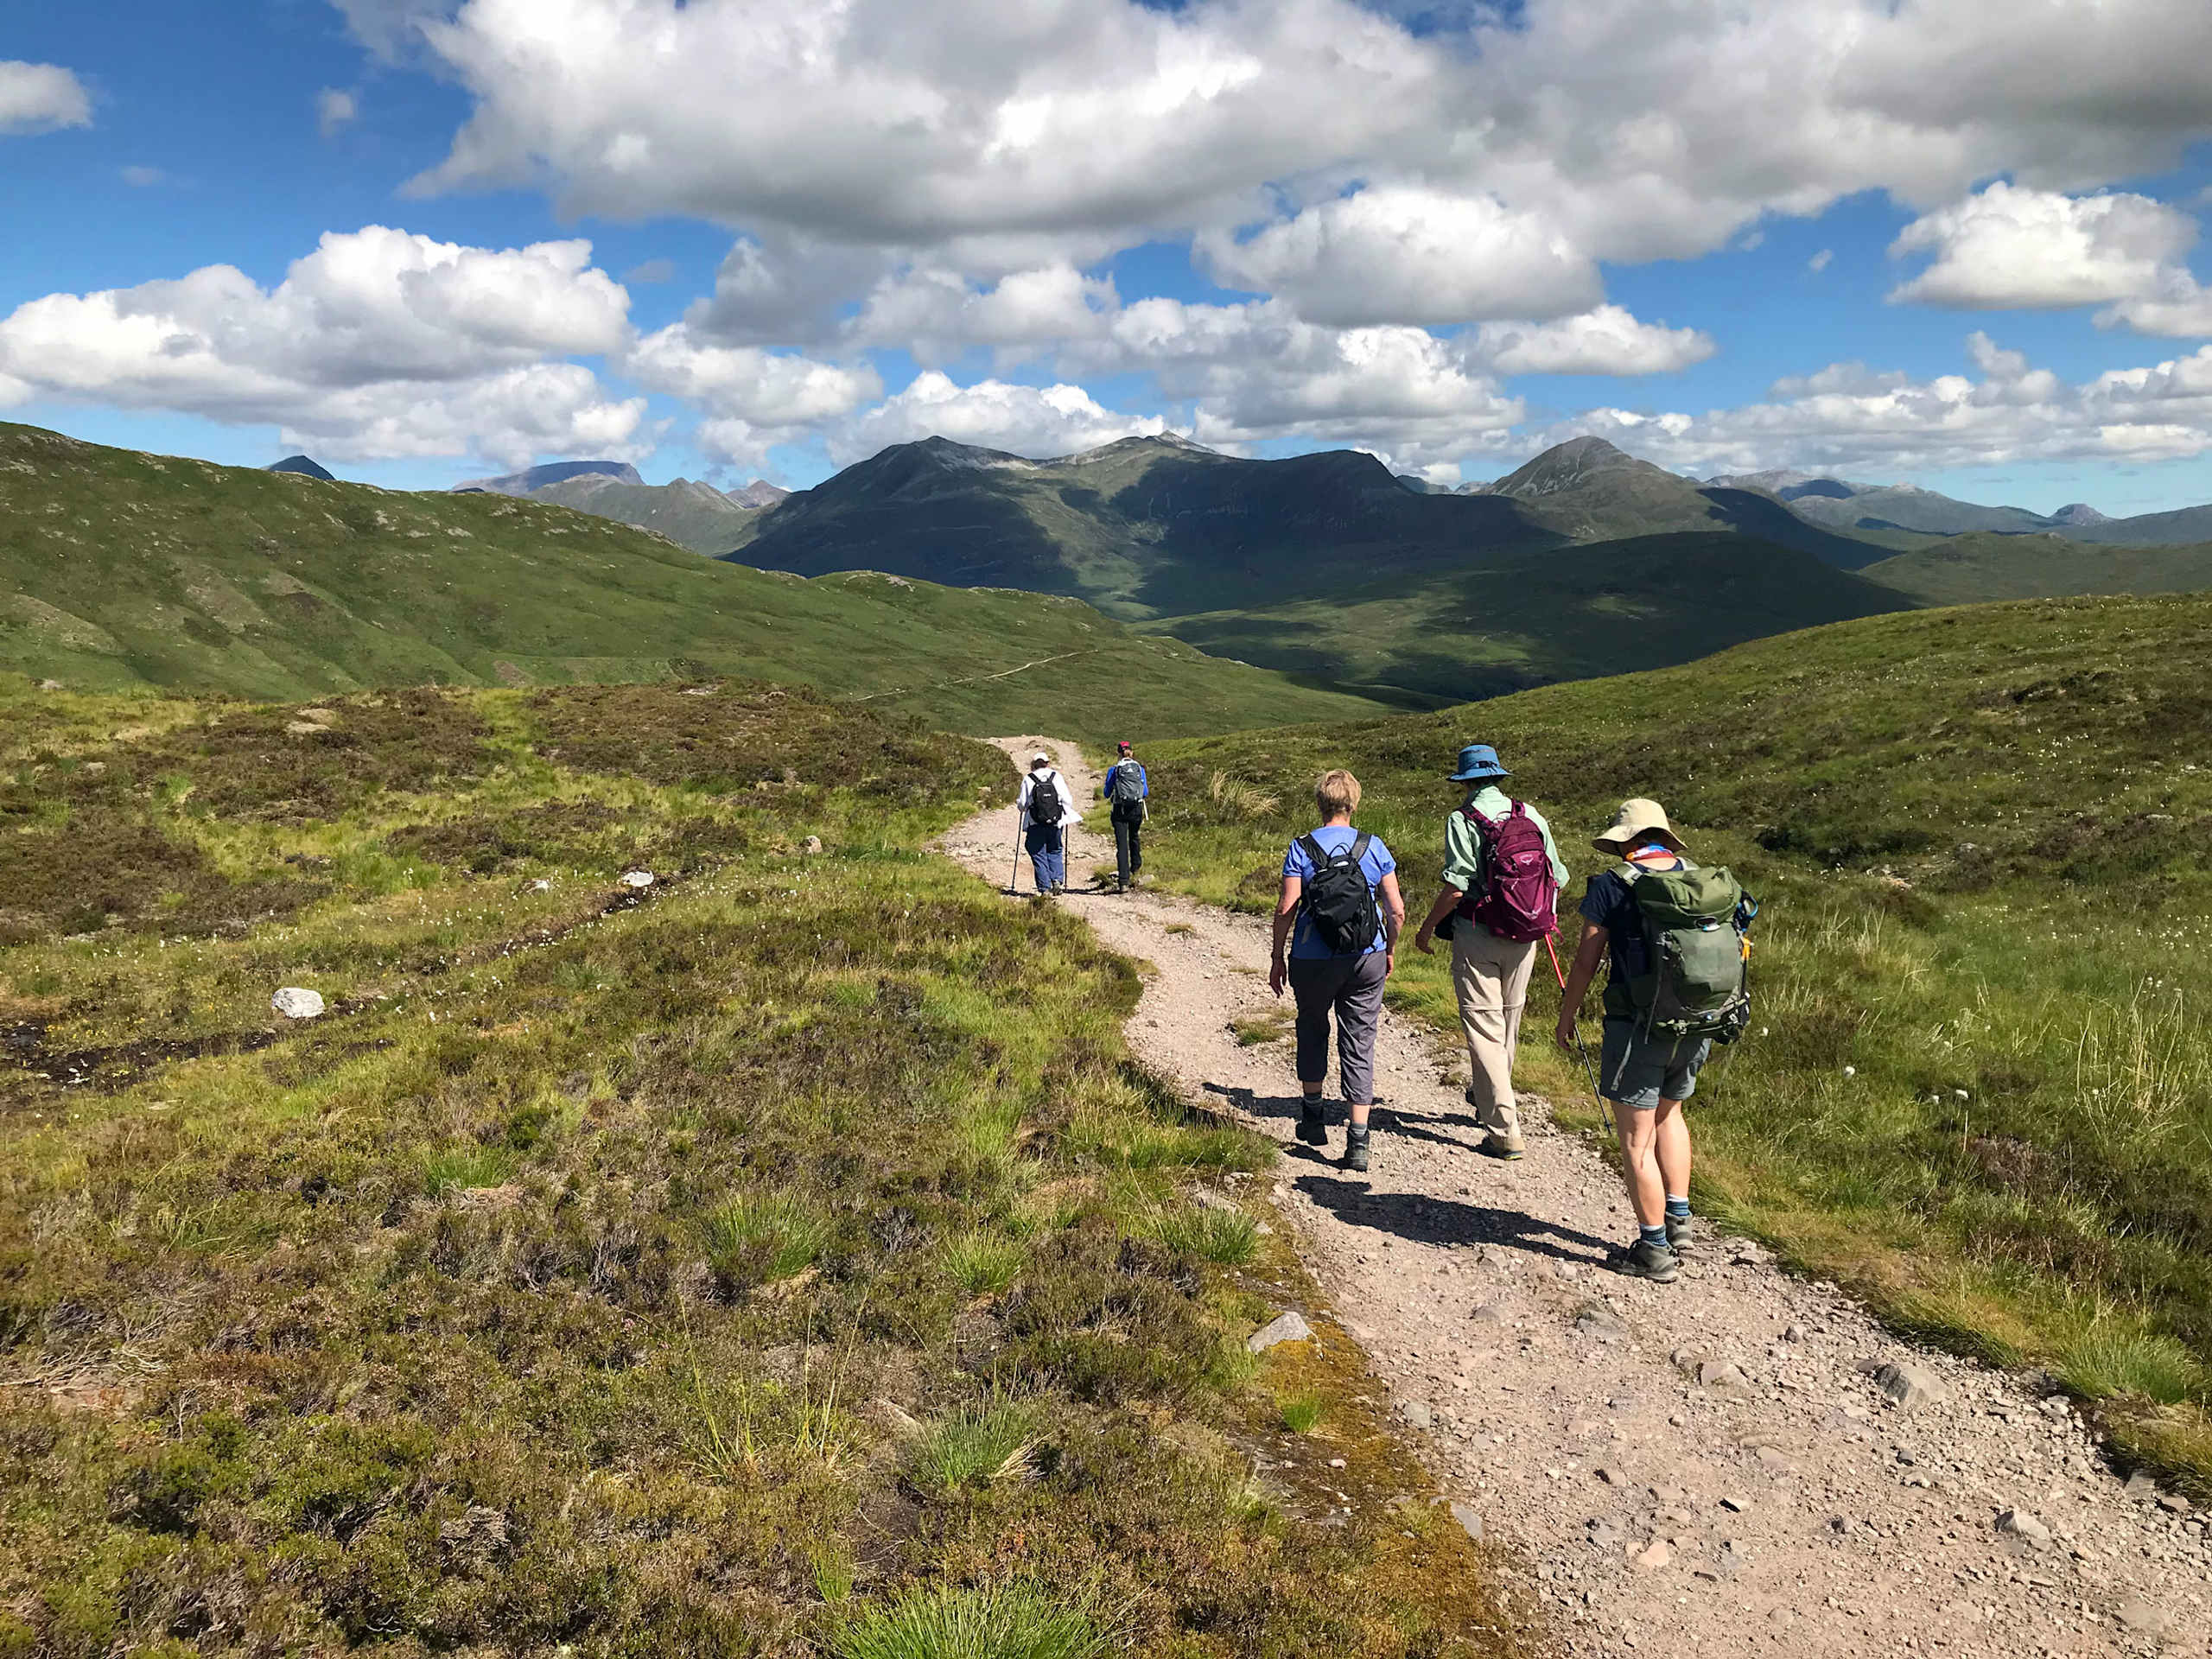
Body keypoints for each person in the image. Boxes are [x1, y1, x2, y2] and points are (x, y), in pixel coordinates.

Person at [1554, 798, 1750, 1284]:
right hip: (1700, 1021)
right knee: (1671, 1114)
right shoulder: (1705, 883)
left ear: (1626, 841)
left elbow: (1585, 959)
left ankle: (1653, 1249)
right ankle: (1680, 1221)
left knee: (1635, 1139)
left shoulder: (1611, 885)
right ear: (1663, 838)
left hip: (1636, 1025)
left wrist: (1567, 1014)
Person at [1412, 743, 1567, 1162]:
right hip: (1528, 934)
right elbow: (1560, 875)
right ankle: (1491, 1096)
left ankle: (1504, 1132)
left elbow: (1458, 884)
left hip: (1478, 931)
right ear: (1498, 775)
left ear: (1464, 781)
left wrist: (1427, 928)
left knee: (1484, 1027)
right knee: (1509, 1018)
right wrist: (1537, 912)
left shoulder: (1462, 819)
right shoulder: (1530, 814)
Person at [1268, 769, 1405, 1173]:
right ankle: (1359, 1140)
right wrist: (1390, 949)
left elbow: (1285, 908)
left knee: (1312, 1027)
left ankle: (1313, 1117)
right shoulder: (1373, 846)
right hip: (1367, 956)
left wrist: (1278, 955)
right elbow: (1396, 910)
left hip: (1312, 957)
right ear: (1354, 803)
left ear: (1319, 803)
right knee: (1360, 1039)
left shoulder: (1301, 848)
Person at [1017, 751, 1080, 895]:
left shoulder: (1029, 779)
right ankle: (1056, 880)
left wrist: (1022, 805)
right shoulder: (1056, 776)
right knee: (1055, 849)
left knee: (1036, 851)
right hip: (1055, 822)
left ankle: (1045, 887)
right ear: (1047, 763)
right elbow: (1068, 801)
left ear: (1033, 764)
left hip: (1035, 822)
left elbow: (1022, 804)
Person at [1102, 740, 1148, 893]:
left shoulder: (1114, 770)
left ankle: (1123, 882)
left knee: (1122, 844)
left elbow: (1107, 793)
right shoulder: (1139, 769)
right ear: (1132, 752)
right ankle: (1136, 867)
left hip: (1119, 810)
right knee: (1134, 836)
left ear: (1119, 753)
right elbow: (1145, 792)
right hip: (1136, 809)